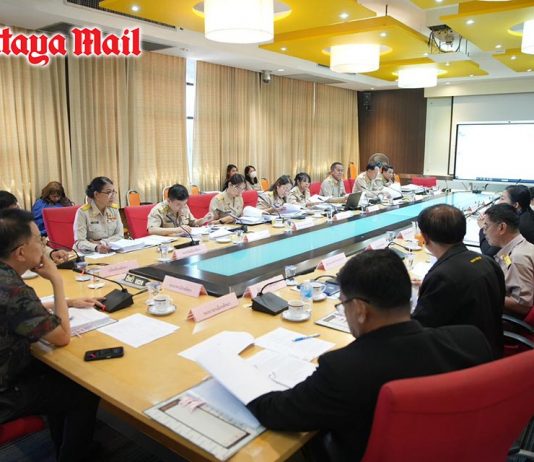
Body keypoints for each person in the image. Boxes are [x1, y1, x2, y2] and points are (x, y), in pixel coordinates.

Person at [247, 249, 492, 462]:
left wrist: (241, 380)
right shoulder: (470, 341)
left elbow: (278, 412)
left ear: (360, 309)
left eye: (343, 304)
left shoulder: (344, 369)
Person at [0, 208, 102, 462]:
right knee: (83, 391)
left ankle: (63, 446)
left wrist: (67, 302)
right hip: (5, 392)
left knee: (57, 374)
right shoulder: (14, 290)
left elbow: (16, 310)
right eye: (39, 239)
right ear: (20, 252)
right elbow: (62, 336)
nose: (44, 244)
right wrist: (56, 280)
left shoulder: (6, 280)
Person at [412, 204, 505, 358]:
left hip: (461, 359)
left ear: (425, 237)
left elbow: (420, 329)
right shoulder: (487, 261)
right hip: (491, 347)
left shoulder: (441, 277)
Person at [483, 203, 534, 318]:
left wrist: (487, 295)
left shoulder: (517, 258)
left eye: (486, 227)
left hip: (512, 321)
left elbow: (522, 305)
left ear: (501, 228)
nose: (484, 232)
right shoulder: (520, 248)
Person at [479, 185, 534, 256]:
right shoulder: (528, 213)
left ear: (516, 205)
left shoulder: (519, 226)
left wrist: (483, 227)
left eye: (502, 199)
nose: (498, 203)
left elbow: (489, 253)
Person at [73, 177, 123, 254]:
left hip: (109, 250)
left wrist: (102, 242)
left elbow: (120, 235)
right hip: (88, 253)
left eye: (113, 192)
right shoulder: (83, 212)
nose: (112, 195)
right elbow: (79, 242)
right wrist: (96, 247)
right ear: (96, 194)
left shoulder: (114, 209)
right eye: (108, 192)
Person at [147, 184, 212, 236]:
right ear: (169, 201)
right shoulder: (159, 210)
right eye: (178, 205)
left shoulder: (184, 206)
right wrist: (177, 230)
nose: (182, 207)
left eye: (185, 203)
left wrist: (204, 220)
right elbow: (152, 230)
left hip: (184, 240)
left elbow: (193, 223)